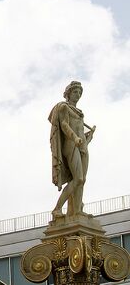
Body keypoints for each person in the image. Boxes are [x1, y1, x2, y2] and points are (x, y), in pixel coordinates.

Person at [49, 80, 95, 219]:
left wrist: (88, 138)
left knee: (82, 180)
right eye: (75, 92)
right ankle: (57, 209)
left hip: (82, 146)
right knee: (78, 178)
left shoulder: (80, 112)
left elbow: (80, 131)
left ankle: (76, 210)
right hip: (71, 145)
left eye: (80, 92)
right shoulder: (64, 107)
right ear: (68, 94)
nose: (78, 94)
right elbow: (64, 125)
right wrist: (75, 138)